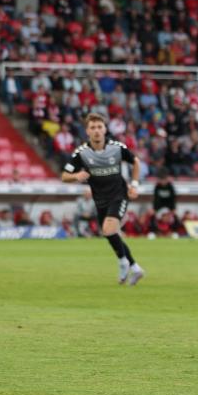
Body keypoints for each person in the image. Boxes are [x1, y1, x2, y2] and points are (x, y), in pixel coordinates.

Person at [61, 112, 145, 285]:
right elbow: (64, 176)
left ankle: (123, 262)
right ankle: (134, 267)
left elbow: (136, 162)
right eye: (93, 128)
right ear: (87, 131)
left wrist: (134, 185)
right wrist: (76, 176)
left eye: (100, 127)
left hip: (119, 195)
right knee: (110, 233)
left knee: (108, 229)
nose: (97, 131)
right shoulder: (81, 153)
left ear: (105, 129)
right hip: (100, 200)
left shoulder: (116, 147)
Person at [149, 168, 179, 239]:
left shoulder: (170, 187)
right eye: (161, 180)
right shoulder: (157, 187)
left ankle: (174, 232)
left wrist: (173, 209)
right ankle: (153, 232)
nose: (163, 182)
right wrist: (154, 209)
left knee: (176, 217)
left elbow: (173, 199)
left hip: (169, 206)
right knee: (152, 216)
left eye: (164, 179)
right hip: (159, 206)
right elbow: (155, 199)